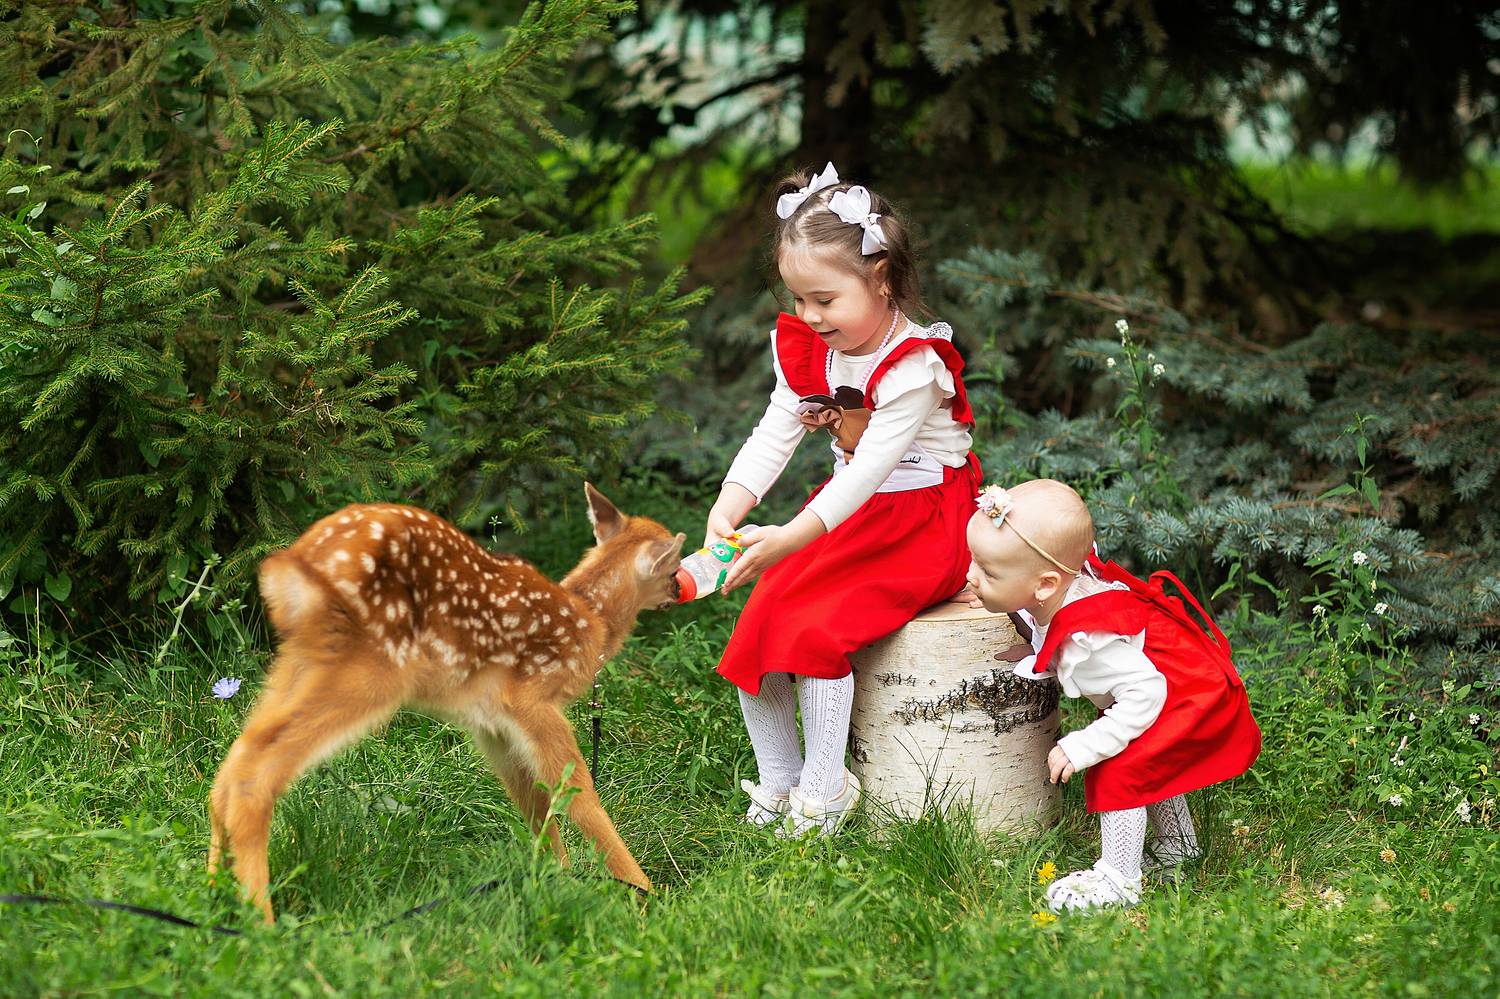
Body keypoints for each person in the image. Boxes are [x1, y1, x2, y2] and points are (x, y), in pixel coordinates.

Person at [706, 162, 980, 836]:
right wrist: (729, 505)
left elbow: (867, 474)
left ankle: (825, 791)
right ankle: (780, 778)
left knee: (817, 631)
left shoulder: (914, 365)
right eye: (798, 298)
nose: (809, 315)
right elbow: (775, 431)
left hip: (922, 523)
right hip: (844, 515)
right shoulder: (809, 348)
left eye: (825, 299)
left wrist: (787, 538)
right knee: (758, 628)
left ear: (880, 279)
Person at [963, 478, 1261, 911]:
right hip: (1164, 682)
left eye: (988, 572)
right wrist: (1000, 598)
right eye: (975, 561)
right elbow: (1038, 607)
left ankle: (1119, 879)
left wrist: (1086, 743)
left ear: (1044, 585)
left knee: (1121, 767)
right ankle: (1179, 846)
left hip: (1180, 692)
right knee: (1147, 760)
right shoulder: (1056, 586)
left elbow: (1146, 691)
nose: (970, 576)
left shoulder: (1091, 642)